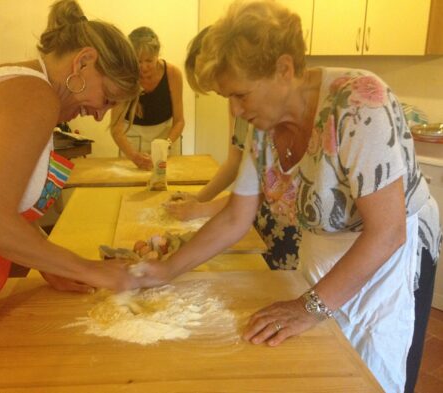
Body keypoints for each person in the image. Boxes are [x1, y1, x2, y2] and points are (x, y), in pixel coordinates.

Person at [135, 1, 441, 392]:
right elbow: (235, 217)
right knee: (319, 365)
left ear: (283, 69)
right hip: (322, 244)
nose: (235, 109)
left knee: (371, 374)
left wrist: (308, 306)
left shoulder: (359, 104)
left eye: (241, 95)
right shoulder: (262, 127)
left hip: (387, 256)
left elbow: (387, 231)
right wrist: (166, 270)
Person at [0, 0, 141, 389]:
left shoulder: (14, 80)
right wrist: (86, 268)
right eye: (107, 98)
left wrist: (49, 262)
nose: (100, 115)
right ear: (84, 61)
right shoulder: (33, 96)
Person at [164, 27, 300, 269]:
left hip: (286, 234)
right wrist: (198, 199)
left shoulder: (280, 116)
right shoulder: (243, 110)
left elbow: (264, 194)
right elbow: (236, 165)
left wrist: (201, 208)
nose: (233, 106)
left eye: (236, 93)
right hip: (257, 225)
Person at [110, 26, 185, 170]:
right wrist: (133, 156)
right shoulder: (124, 76)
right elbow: (116, 128)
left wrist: (166, 144)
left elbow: (179, 121)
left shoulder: (173, 74)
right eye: (138, 61)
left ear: (158, 55)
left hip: (167, 135)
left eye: (149, 60)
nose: (143, 67)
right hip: (131, 139)